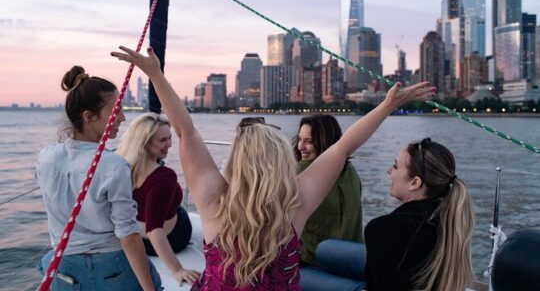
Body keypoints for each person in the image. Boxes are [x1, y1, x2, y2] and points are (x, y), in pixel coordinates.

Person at [111, 45, 434, 290]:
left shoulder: (213, 200)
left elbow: (185, 131)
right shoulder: (296, 205)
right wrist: (388, 105)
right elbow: (345, 145)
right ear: (281, 160)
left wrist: (155, 74)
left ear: (237, 159)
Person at [36, 66, 161, 291]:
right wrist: (149, 288)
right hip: (111, 266)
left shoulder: (46, 158)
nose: (122, 117)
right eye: (116, 111)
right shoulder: (114, 166)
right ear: (88, 117)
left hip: (64, 264)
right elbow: (128, 235)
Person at [364, 138, 475, 291]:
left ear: (415, 183)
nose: (389, 170)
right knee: (327, 249)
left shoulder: (381, 230)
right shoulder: (450, 222)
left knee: (325, 257)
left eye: (395, 166)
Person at [117, 112, 201, 286]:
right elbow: (154, 230)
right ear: (145, 142)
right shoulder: (164, 177)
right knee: (179, 210)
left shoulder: (121, 167)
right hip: (172, 238)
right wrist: (177, 270)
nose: (169, 144)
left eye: (170, 138)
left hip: (138, 243)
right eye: (163, 140)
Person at [293, 115, 363, 267]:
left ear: (325, 142)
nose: (300, 147)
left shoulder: (298, 171)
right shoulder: (350, 170)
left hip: (314, 261)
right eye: (299, 139)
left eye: (309, 141)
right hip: (354, 258)